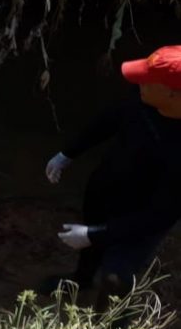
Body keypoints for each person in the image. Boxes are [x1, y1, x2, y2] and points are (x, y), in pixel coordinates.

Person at [42, 46, 181, 308]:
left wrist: (95, 233)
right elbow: (109, 119)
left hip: (142, 216)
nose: (137, 80)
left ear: (173, 94)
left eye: (148, 79)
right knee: (90, 250)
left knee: (116, 277)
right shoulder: (143, 97)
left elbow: (159, 216)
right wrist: (68, 154)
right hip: (107, 187)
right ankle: (81, 280)